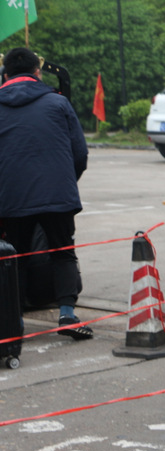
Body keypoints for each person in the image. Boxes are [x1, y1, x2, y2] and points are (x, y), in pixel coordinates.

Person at [0, 47, 92, 340]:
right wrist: (65, 182)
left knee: (15, 257)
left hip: (11, 197)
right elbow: (80, 153)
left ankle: (14, 322)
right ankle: (67, 315)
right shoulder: (58, 102)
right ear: (38, 72)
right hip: (57, 195)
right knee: (63, 253)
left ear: (5, 74)